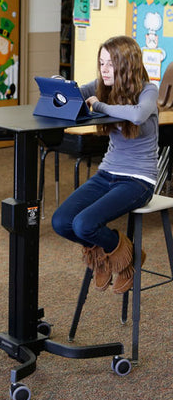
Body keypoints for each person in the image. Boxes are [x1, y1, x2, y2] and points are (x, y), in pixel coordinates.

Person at [52, 35, 158, 294]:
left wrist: (100, 105)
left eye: (110, 64)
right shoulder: (103, 85)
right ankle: (110, 255)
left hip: (139, 180)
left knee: (84, 224)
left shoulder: (148, 90)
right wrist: (60, 87)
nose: (104, 70)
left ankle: (124, 258)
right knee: (61, 221)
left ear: (127, 64)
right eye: (101, 64)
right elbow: (73, 95)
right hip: (107, 173)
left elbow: (138, 114)